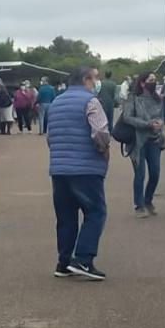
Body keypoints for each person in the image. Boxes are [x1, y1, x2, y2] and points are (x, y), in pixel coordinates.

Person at [46, 64, 110, 280]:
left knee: (66, 217)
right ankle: (83, 259)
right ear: (85, 80)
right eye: (94, 78)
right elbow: (100, 131)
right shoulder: (91, 101)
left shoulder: (56, 102)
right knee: (95, 212)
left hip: (59, 168)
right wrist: (104, 150)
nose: (96, 83)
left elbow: (50, 136)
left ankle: (63, 262)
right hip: (86, 167)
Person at [122, 73, 165, 218]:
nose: (154, 82)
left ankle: (148, 200)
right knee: (140, 174)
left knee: (155, 173)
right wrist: (147, 124)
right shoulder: (133, 98)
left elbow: (161, 116)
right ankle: (139, 205)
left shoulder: (158, 99)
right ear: (142, 83)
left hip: (154, 140)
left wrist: (159, 124)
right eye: (150, 80)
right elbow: (127, 117)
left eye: (154, 80)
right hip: (138, 141)